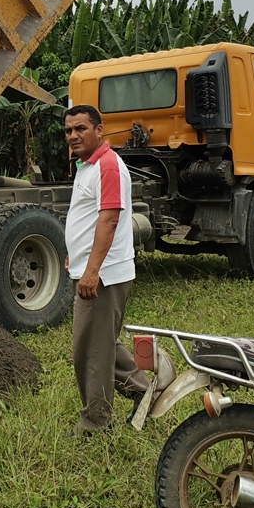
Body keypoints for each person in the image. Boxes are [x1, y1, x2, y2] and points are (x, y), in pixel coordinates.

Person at [63, 103, 168, 435]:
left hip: (104, 275)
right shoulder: (87, 165)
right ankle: (144, 391)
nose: (73, 135)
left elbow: (108, 221)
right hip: (93, 268)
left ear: (99, 130)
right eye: (69, 130)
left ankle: (95, 424)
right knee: (101, 341)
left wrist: (92, 271)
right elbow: (87, 217)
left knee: (90, 352)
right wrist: (75, 255)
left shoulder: (107, 165)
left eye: (81, 128)